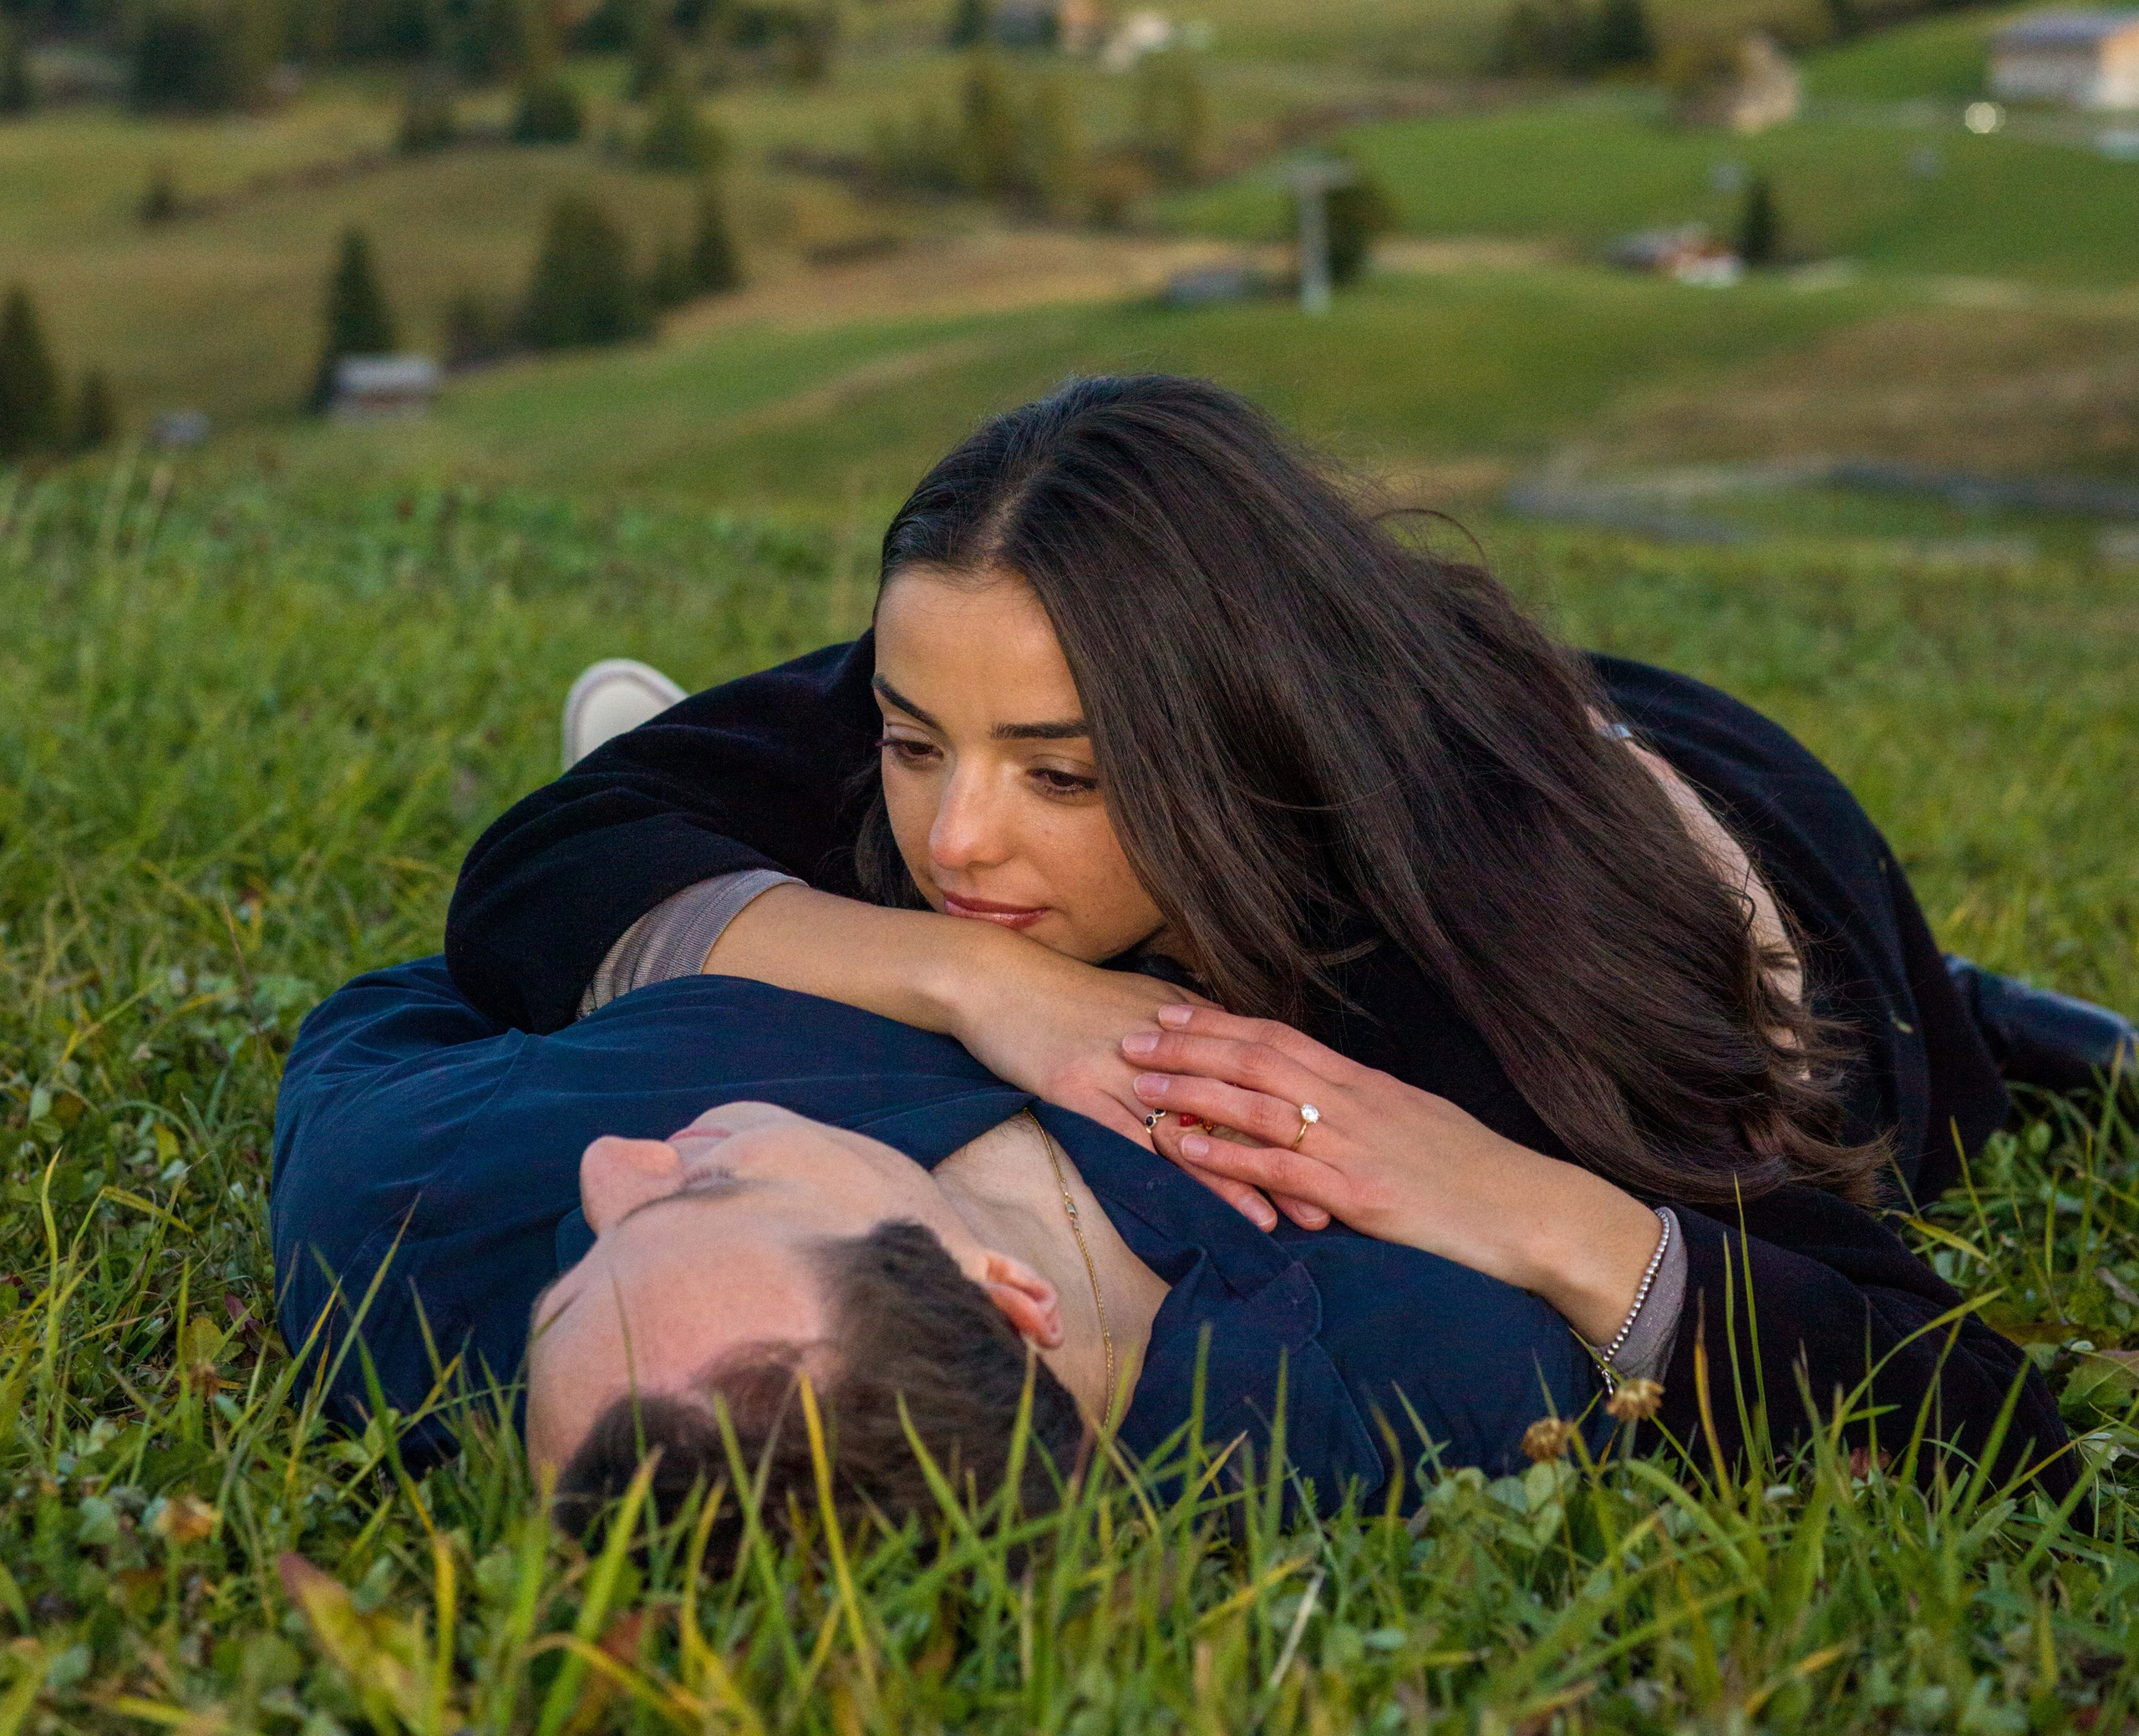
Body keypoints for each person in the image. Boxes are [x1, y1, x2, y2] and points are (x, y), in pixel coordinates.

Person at [446, 377, 2119, 1486]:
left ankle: (1995, 1012)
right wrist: (983, 976)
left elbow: (1975, 1415)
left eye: (1060, 776)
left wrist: (1521, 1204)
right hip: (1409, 695)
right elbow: (536, 871)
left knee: (1906, 1059)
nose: (956, 837)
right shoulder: (995, 679)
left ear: (1233, 744)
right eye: (909, 740)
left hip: (1754, 870)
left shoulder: (1473, 967)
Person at [268, 952, 1598, 1541]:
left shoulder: (415, 1231)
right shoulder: (1442, 1382)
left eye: (566, 1285)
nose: (612, 1163)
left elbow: (445, 983)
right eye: (705, 1189)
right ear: (1007, 1295)